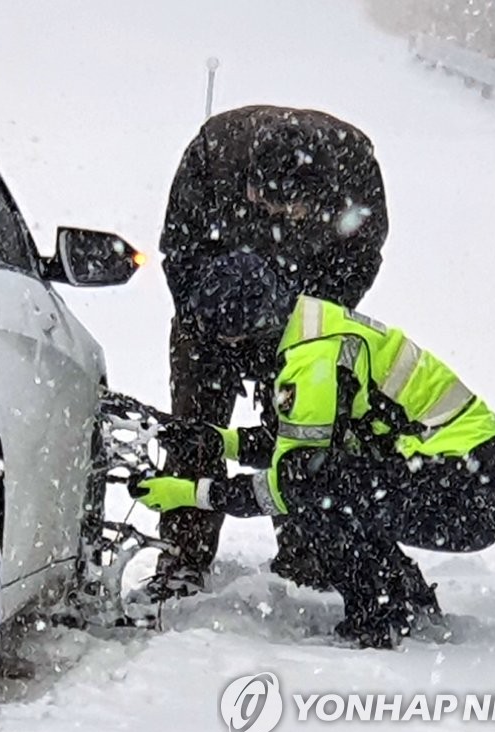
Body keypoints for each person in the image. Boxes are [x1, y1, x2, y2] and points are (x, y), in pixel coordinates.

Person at [132, 252, 495, 648]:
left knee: (317, 495)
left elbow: (288, 484)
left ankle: (381, 617)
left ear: (251, 330)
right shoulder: (306, 325)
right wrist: (216, 439)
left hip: (466, 493)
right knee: (329, 481)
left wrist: (190, 494)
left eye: (226, 340)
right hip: (465, 474)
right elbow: (298, 449)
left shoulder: (312, 360)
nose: (225, 353)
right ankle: (401, 602)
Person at [153, 105, 389, 598]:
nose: (276, 217)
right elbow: (178, 249)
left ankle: (306, 556)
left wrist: (306, 320)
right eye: (264, 203)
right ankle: (184, 557)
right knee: (196, 431)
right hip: (211, 312)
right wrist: (213, 320)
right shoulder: (213, 155)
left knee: (304, 433)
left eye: (291, 211)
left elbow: (363, 256)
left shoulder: (353, 166)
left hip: (301, 320)